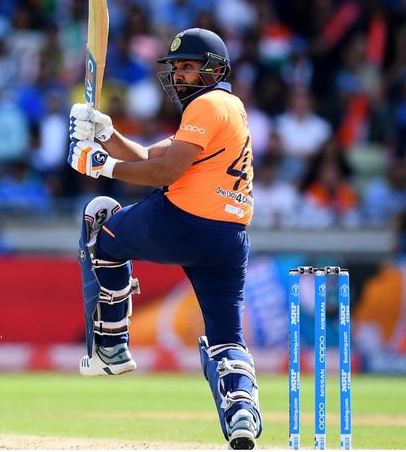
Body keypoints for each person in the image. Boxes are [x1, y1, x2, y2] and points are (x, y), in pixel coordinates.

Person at [67, 28, 262, 449]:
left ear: (216, 70)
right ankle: (242, 414)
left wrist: (100, 166)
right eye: (175, 68)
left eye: (189, 66)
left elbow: (164, 173)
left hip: (180, 221)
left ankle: (111, 347)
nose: (179, 75)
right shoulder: (228, 109)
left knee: (101, 224)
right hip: (229, 238)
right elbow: (147, 156)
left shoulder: (207, 105)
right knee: (227, 337)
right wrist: (105, 134)